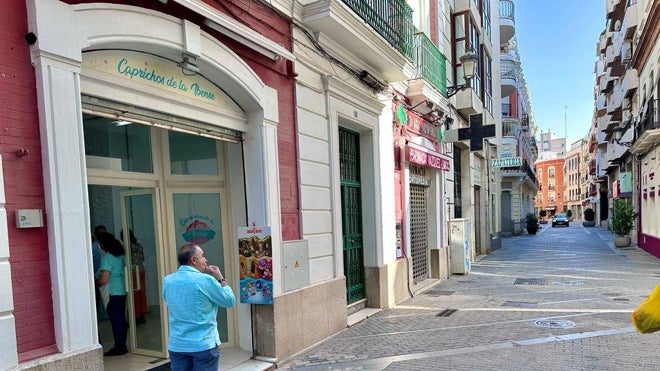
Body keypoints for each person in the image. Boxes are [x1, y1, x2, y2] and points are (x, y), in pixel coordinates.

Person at [163, 244, 235, 371]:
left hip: (178, 344)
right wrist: (220, 278)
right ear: (193, 260)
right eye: (202, 256)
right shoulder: (205, 280)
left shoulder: (168, 281)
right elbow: (229, 301)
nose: (205, 260)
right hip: (203, 344)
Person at [96, 232, 128, 356]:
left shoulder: (108, 258)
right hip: (122, 290)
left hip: (112, 292)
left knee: (116, 320)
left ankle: (119, 346)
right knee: (121, 319)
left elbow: (104, 279)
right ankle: (122, 344)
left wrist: (96, 282)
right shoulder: (121, 256)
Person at [121, 229, 147, 323]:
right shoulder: (138, 246)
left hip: (130, 272)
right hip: (140, 270)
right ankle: (141, 314)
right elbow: (142, 258)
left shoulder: (124, 247)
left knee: (132, 295)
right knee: (141, 293)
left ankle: (134, 316)